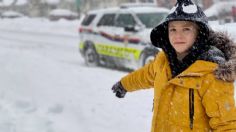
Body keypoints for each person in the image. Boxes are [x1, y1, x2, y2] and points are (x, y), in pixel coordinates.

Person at [111, 0, 236, 131]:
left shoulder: (211, 72)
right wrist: (124, 84)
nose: (178, 35)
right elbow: (145, 75)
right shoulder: (163, 61)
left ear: (199, 33)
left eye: (186, 29)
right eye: (173, 29)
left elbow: (226, 124)